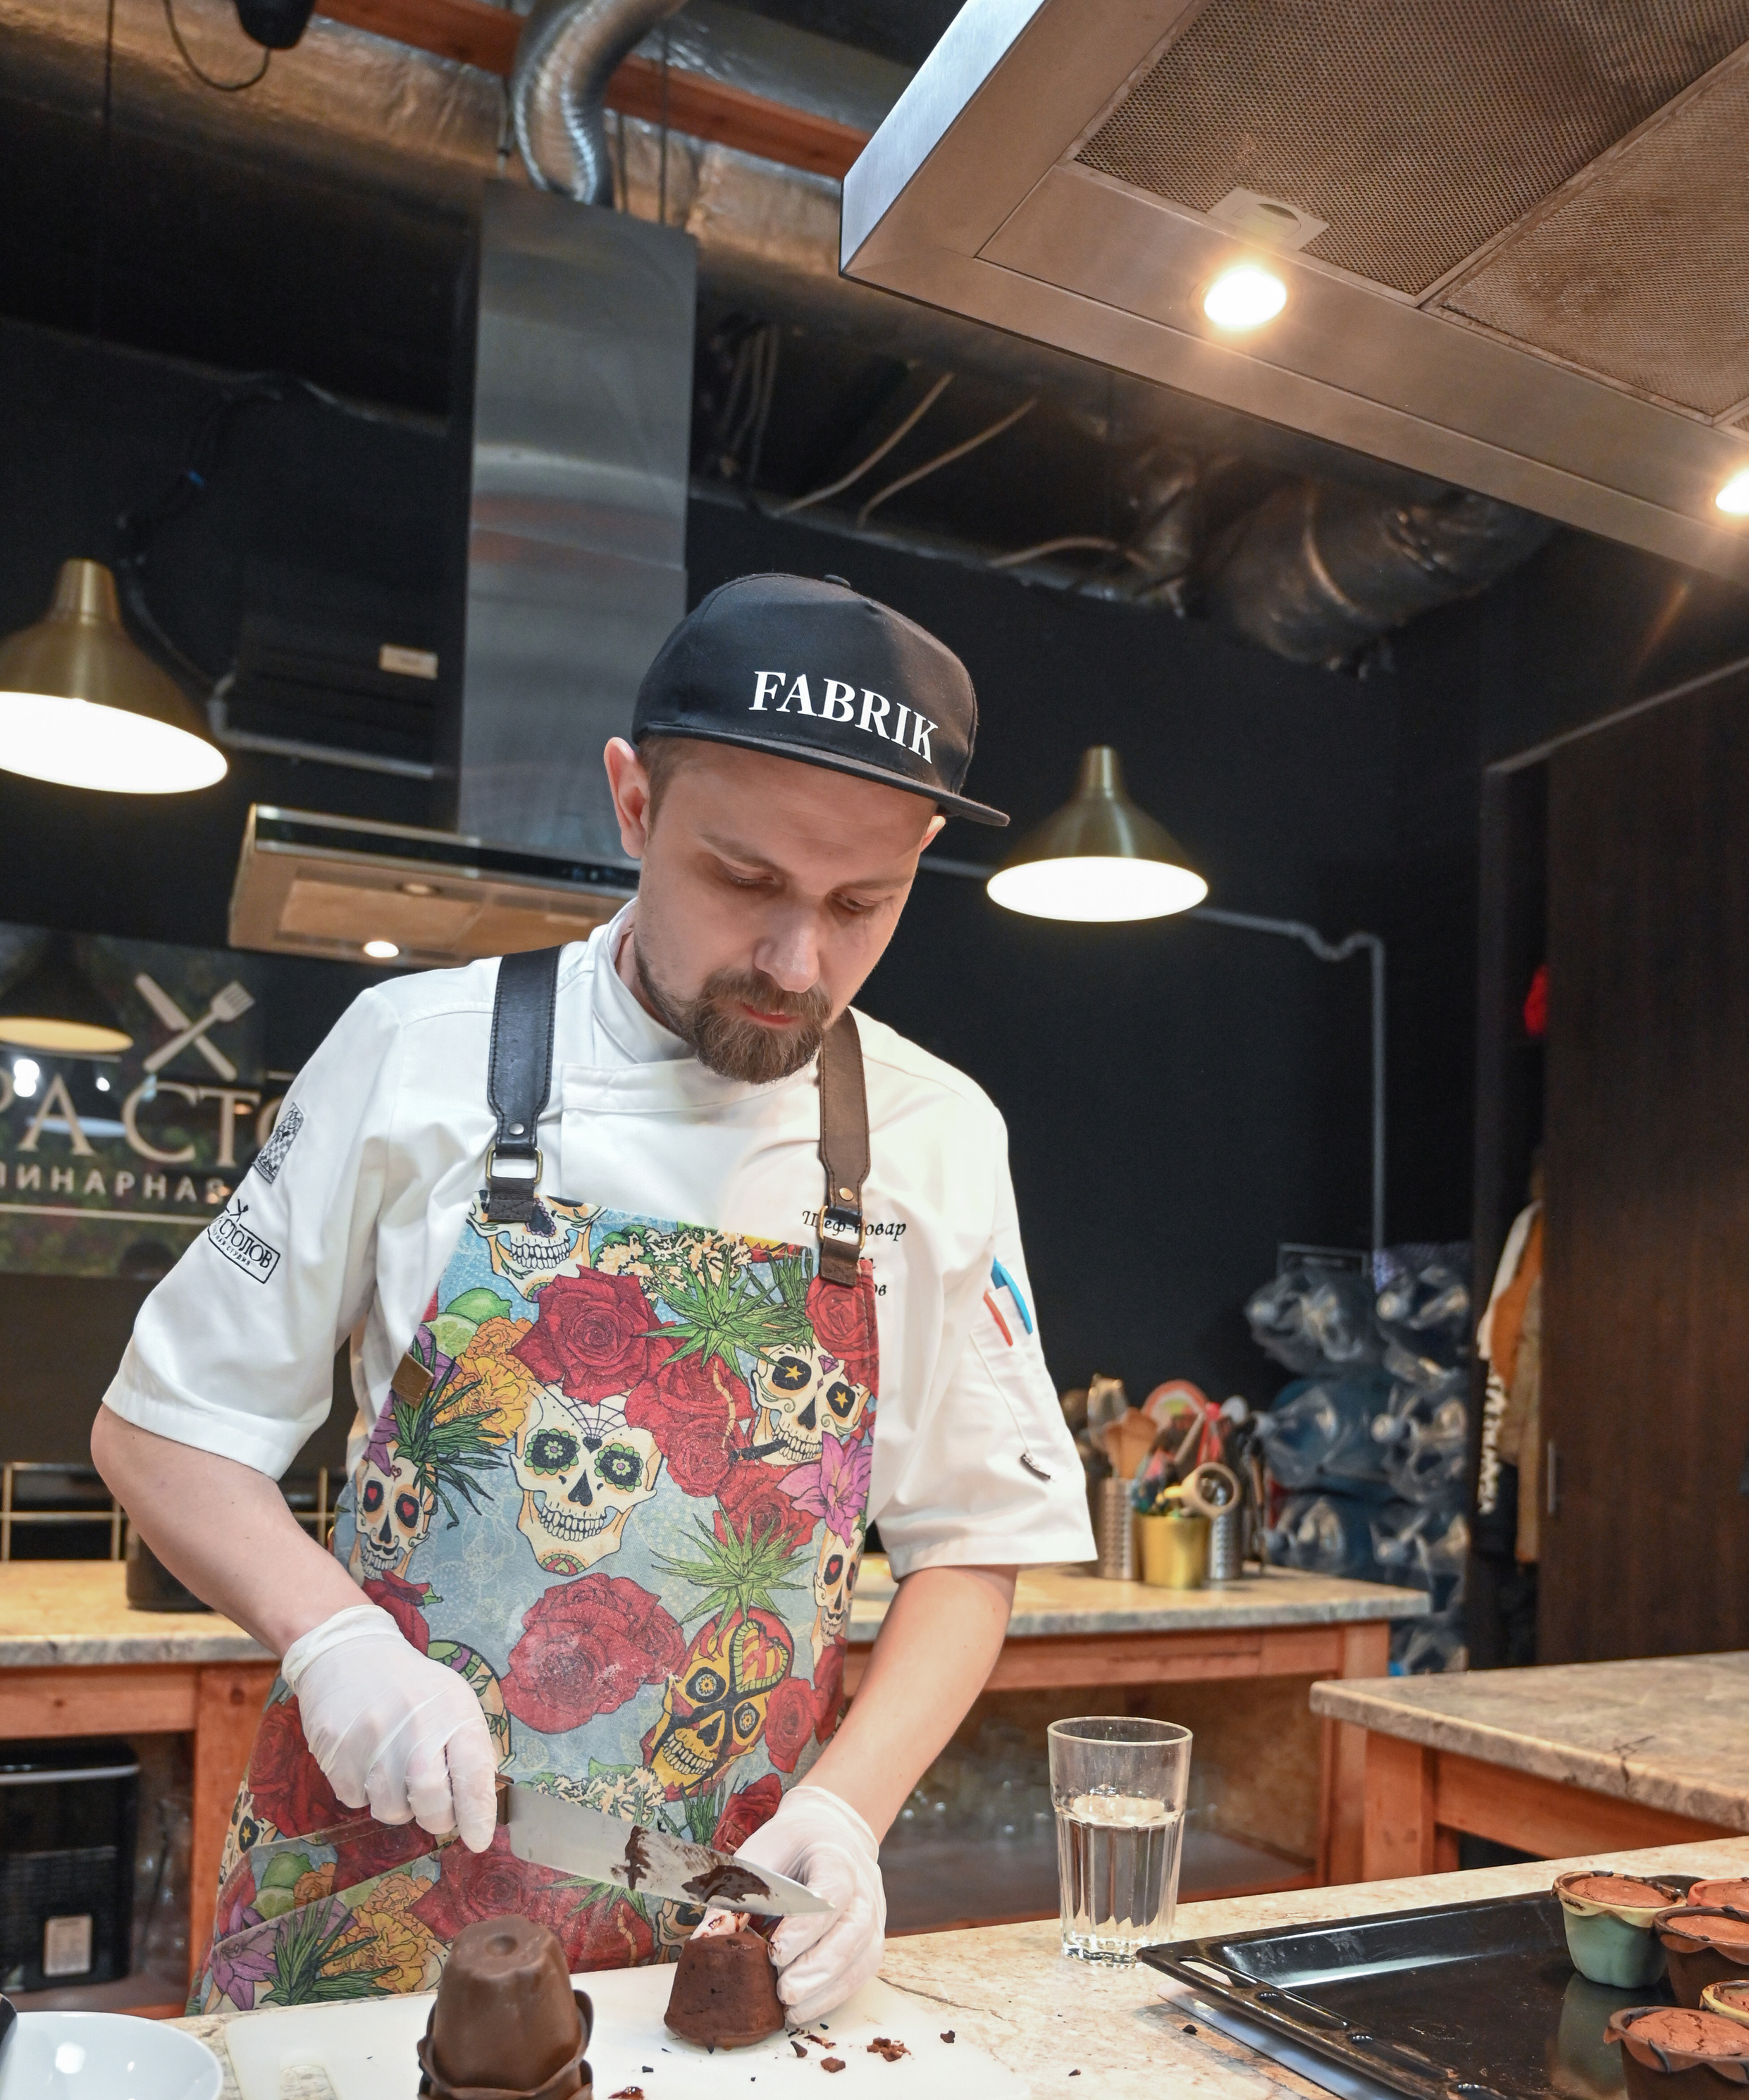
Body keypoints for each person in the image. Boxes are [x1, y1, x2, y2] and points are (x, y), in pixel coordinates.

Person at [92, 574, 1092, 2018]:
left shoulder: (937, 1134)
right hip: (374, 1907)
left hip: (726, 1926)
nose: (796, 962)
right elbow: (165, 1429)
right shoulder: (413, 1053)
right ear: (632, 803)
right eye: (743, 881)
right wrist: (334, 1641)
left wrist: (849, 1805)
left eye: (860, 904)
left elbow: (972, 1542)